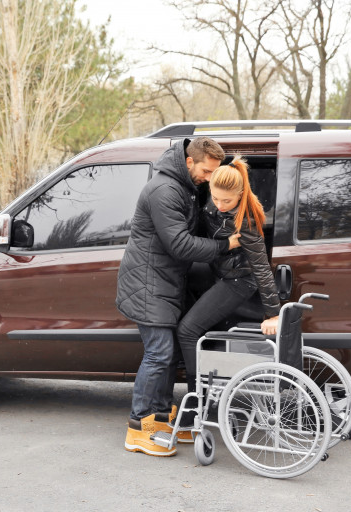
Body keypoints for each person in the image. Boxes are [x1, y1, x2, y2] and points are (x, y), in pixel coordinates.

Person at [116, 136, 240, 457]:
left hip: (165, 281)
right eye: (207, 171)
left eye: (215, 172)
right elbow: (181, 245)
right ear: (189, 162)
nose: (210, 178)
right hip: (148, 283)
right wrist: (227, 245)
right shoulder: (165, 190)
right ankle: (138, 426)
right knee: (158, 353)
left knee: (167, 355)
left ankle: (159, 418)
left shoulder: (185, 186)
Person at [175, 156, 281, 425]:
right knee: (181, 281)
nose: (220, 206)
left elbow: (261, 268)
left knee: (187, 331)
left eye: (227, 202)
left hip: (239, 281)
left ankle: (198, 405)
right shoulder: (214, 197)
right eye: (216, 199)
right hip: (219, 270)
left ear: (240, 195)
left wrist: (273, 314)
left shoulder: (246, 222)